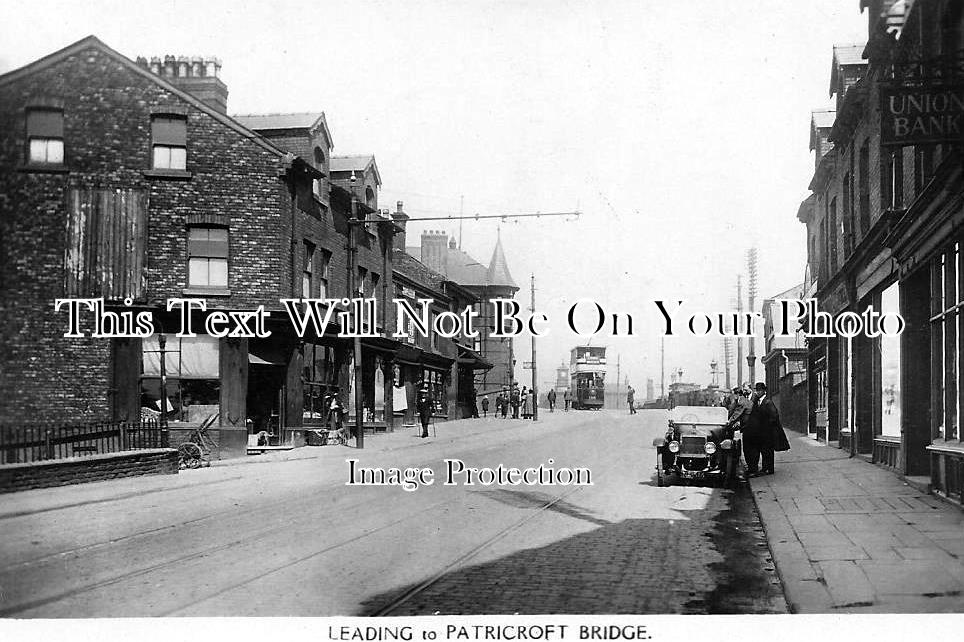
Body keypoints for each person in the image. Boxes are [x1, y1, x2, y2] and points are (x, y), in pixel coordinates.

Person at [743, 382, 790, 476]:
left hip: (768, 432)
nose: (758, 392)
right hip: (761, 432)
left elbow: (774, 415)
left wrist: (767, 425)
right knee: (764, 450)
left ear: (764, 391)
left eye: (760, 390)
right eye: (757, 390)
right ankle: (765, 468)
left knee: (768, 451)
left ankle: (769, 469)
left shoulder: (768, 402)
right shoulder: (757, 401)